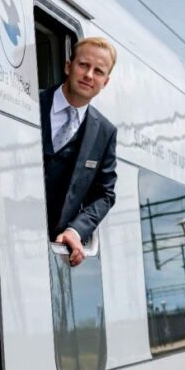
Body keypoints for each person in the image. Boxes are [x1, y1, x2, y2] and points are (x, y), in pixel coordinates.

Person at [39, 36, 118, 267]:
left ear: (105, 82)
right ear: (68, 66)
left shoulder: (105, 132)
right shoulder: (29, 103)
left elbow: (105, 195)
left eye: (98, 71)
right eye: (83, 65)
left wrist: (76, 230)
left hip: (51, 252)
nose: (89, 75)